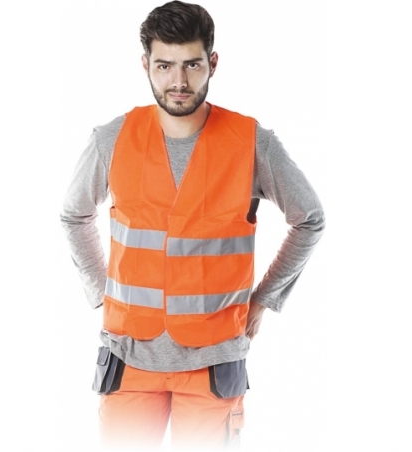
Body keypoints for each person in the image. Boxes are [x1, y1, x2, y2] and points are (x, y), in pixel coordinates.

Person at [60, 1, 325, 449]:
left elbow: (310, 219)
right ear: (146, 64)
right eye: (164, 66)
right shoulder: (112, 139)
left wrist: (264, 300)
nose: (178, 81)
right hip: (128, 357)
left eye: (192, 65)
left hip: (214, 363)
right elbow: (74, 214)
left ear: (212, 63)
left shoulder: (252, 143)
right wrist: (100, 290)